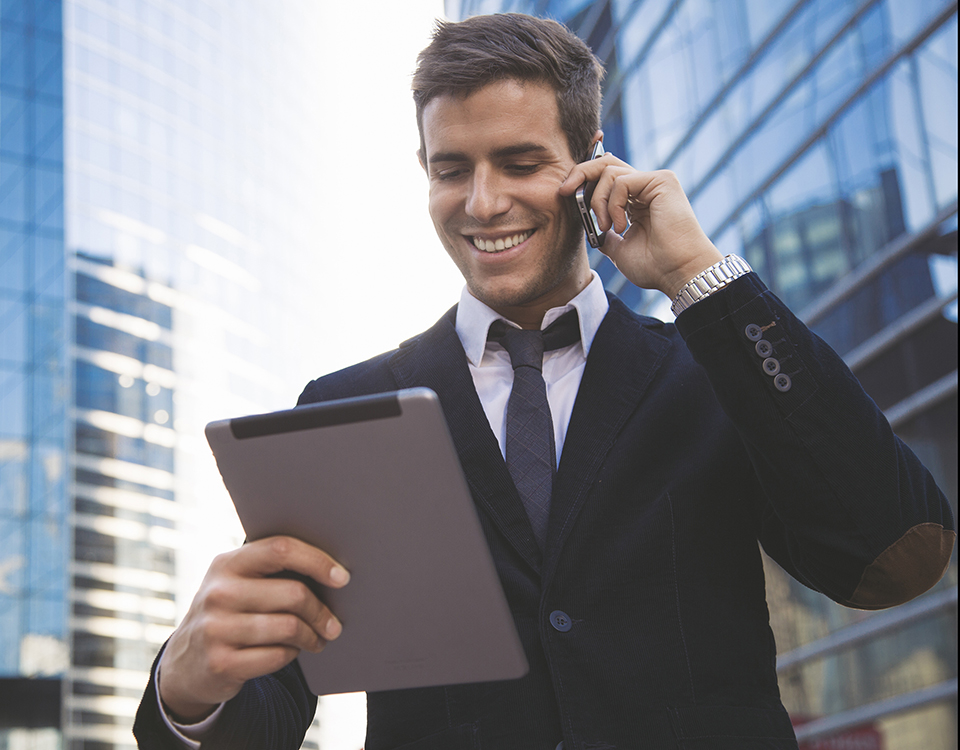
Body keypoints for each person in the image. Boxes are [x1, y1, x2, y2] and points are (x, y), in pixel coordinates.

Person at [134, 13, 955, 750]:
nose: (483, 203)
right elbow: (272, 708)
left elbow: (893, 557)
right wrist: (188, 687)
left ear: (592, 163)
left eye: (521, 162)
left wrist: (700, 278)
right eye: (451, 170)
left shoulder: (712, 371)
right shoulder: (344, 407)